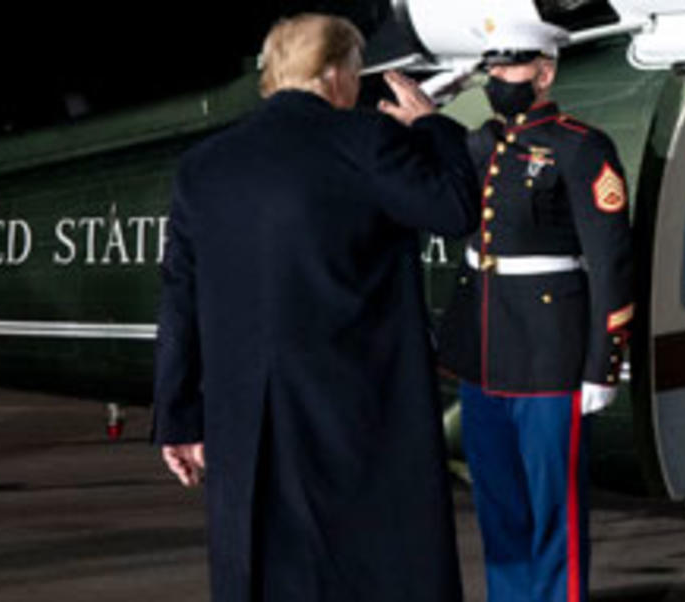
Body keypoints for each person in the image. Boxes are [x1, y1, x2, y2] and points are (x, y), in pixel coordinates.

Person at [152, 13, 480, 602]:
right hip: (355, 413)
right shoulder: (365, 140)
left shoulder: (203, 166)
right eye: (356, 71)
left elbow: (179, 299)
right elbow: (455, 210)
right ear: (334, 72)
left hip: (244, 419)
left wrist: (179, 418)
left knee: (266, 571)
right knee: (369, 569)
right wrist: (433, 128)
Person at [437, 21, 635, 602]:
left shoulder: (581, 146)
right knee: (499, 512)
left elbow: (611, 261)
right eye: (492, 67)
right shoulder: (483, 142)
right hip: (487, 358)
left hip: (553, 359)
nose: (498, 77)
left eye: (511, 66)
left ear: (544, 71)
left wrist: (603, 364)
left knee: (555, 517)